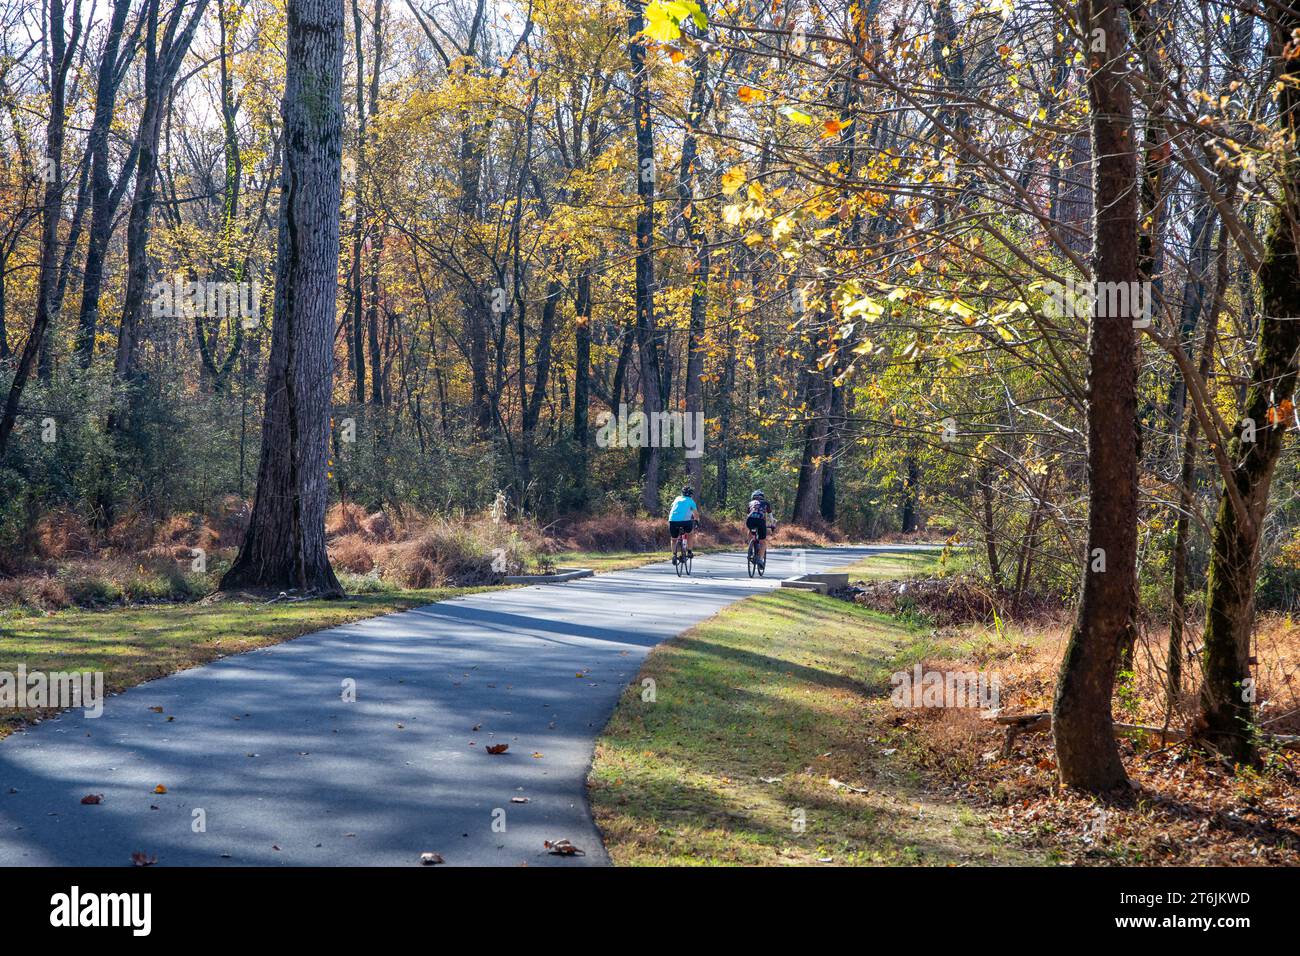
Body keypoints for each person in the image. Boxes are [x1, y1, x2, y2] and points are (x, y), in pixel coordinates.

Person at [667, 486, 699, 565]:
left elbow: (673, 507)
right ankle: (689, 551)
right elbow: (696, 514)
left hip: (672, 520)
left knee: (673, 539)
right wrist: (697, 521)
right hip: (685, 522)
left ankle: (674, 555)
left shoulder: (677, 499)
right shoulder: (691, 501)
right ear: (691, 495)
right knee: (690, 534)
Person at [745, 490, 775, 568]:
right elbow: (771, 517)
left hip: (750, 520)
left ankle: (750, 548)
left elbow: (748, 514)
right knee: (762, 542)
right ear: (762, 497)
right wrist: (772, 525)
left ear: (753, 497)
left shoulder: (750, 503)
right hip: (760, 521)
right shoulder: (766, 503)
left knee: (750, 531)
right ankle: (760, 560)